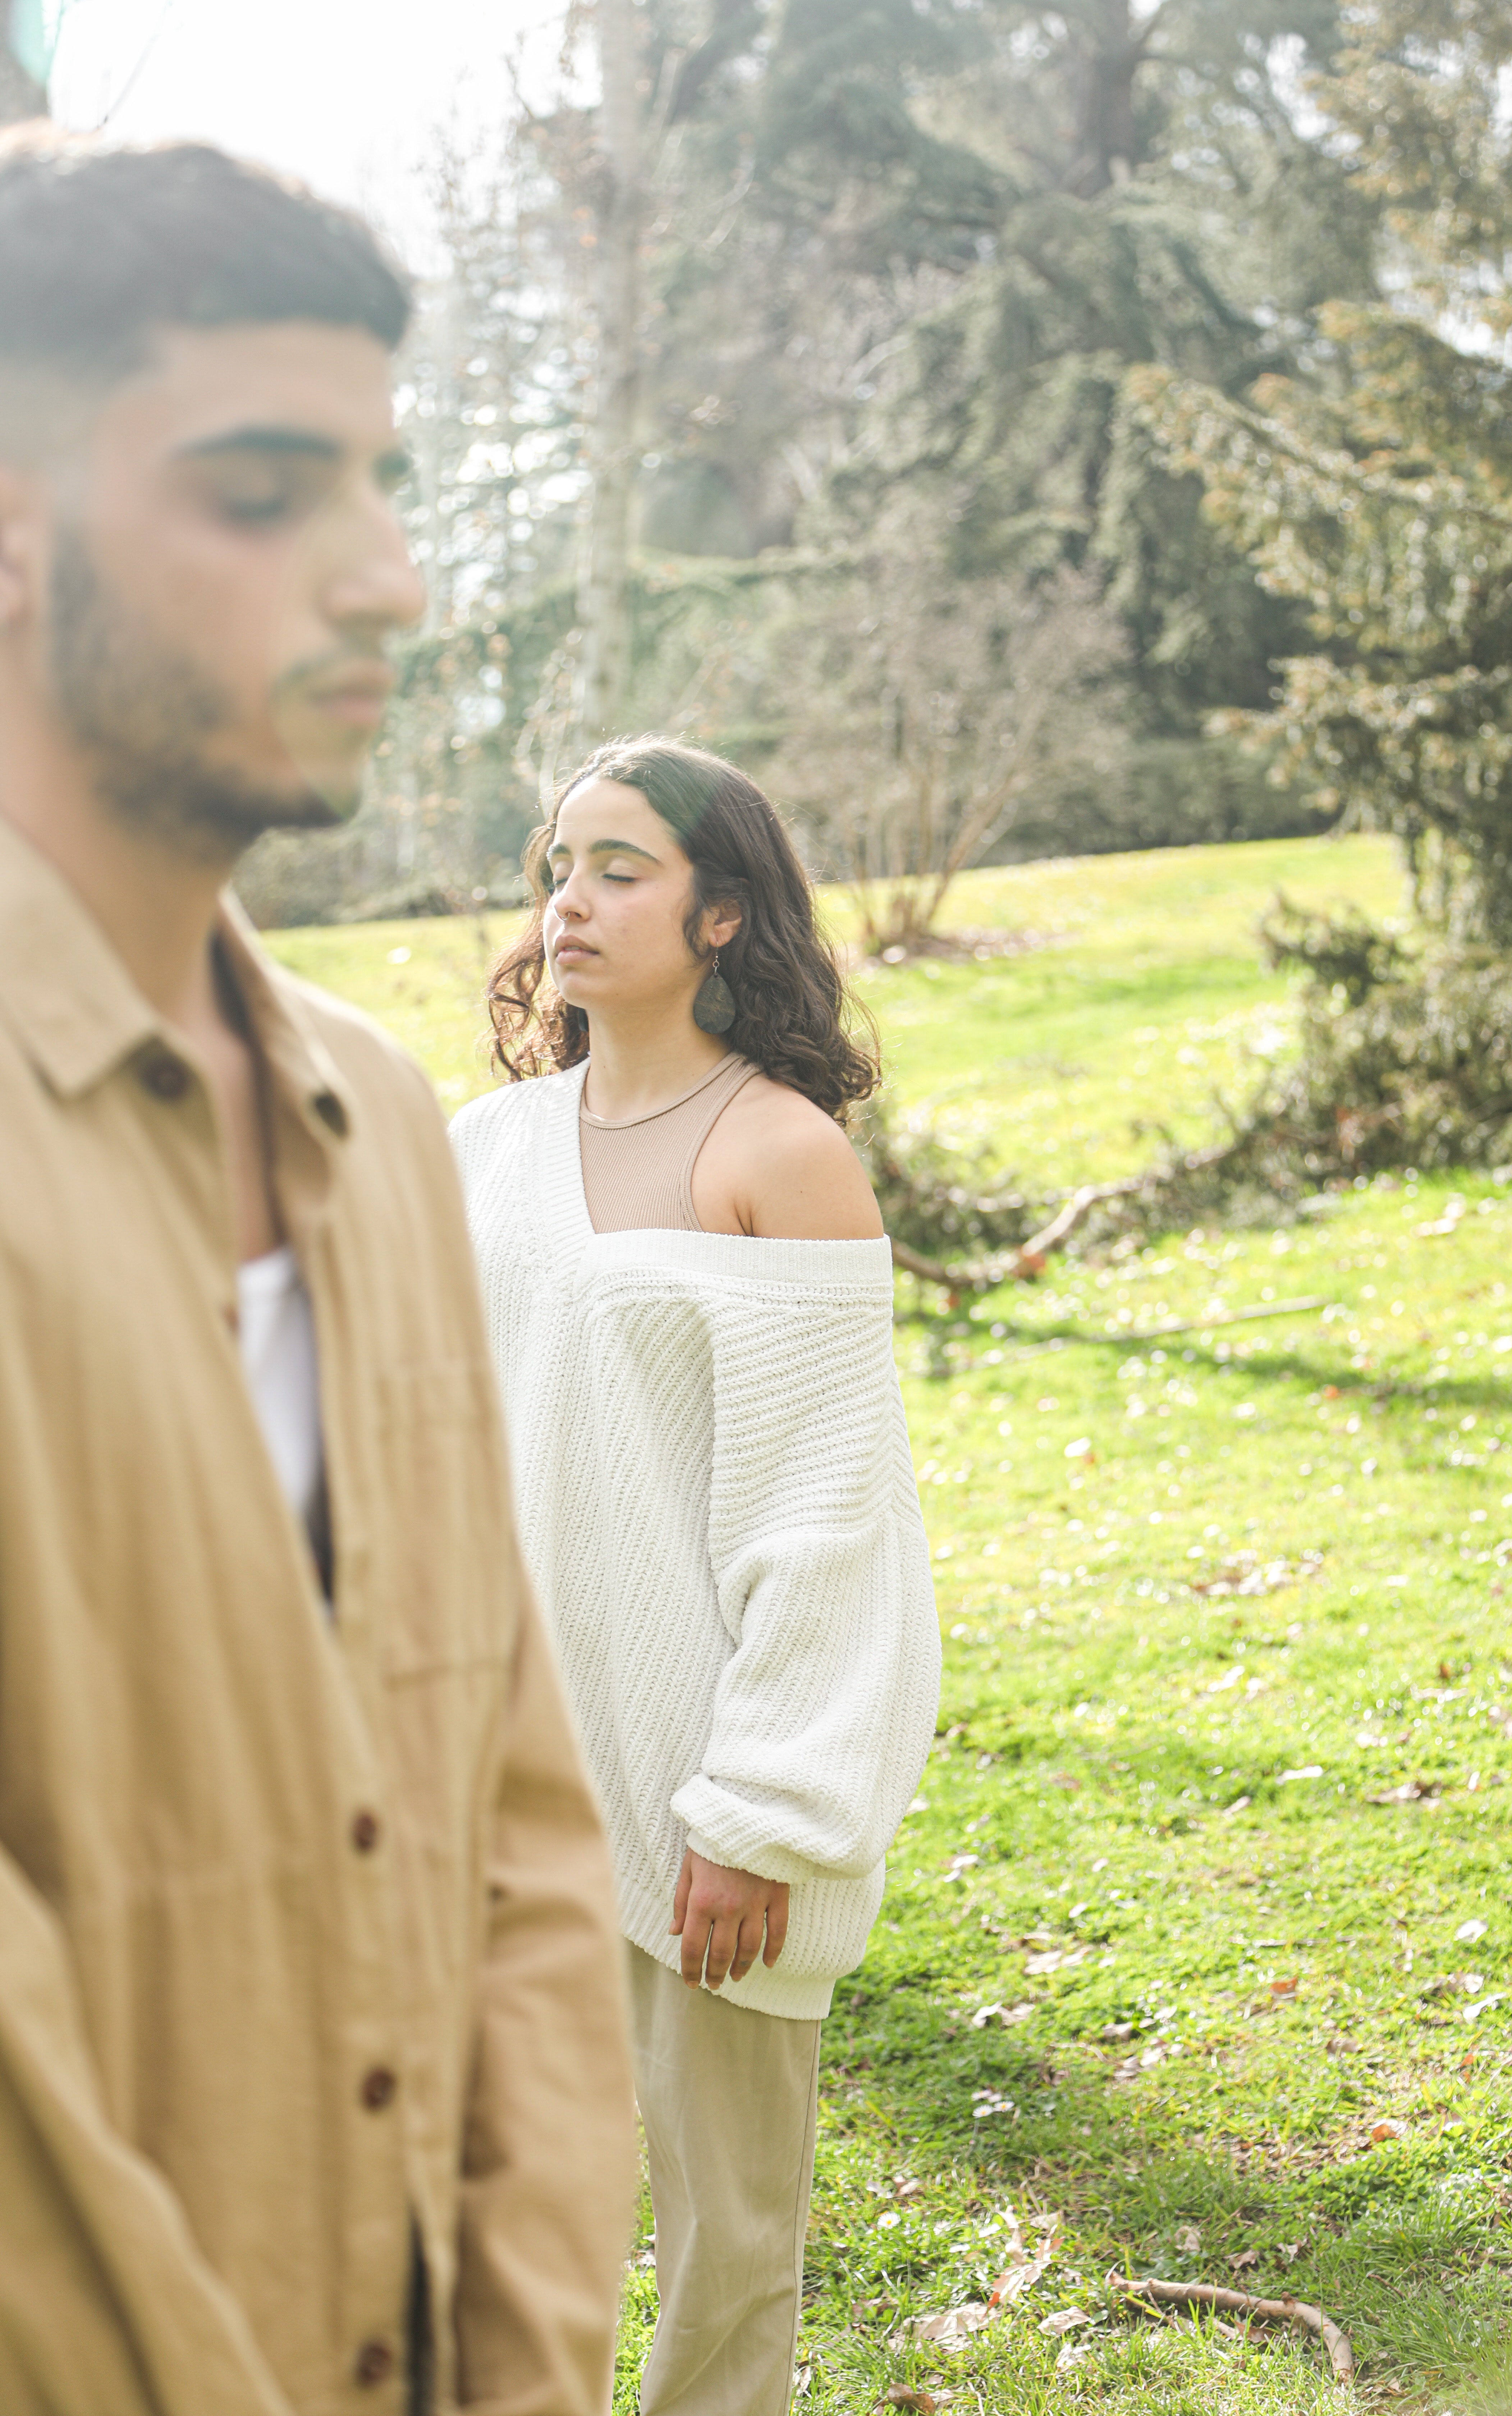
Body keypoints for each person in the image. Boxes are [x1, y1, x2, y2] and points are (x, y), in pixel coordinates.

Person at [0, 129, 637, 2416]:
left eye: (383, 483)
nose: (389, 581)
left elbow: (528, 1836)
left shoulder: (374, 1122)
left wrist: (539, 2365)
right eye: (266, 498)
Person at [450, 738, 943, 2416]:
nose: (570, 904)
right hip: (509, 1788)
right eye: (557, 866)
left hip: (707, 1803)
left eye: (621, 869)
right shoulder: (483, 1152)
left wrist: (759, 1813)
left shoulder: (779, 1156)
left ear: (723, 913)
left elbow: (829, 1522)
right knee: (508, 2217)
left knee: (728, 2242)